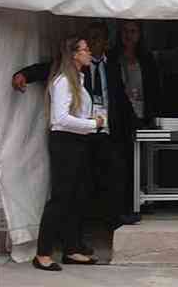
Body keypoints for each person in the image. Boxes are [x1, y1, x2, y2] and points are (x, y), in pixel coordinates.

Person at [12, 21, 140, 230]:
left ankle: (116, 217)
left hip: (107, 127)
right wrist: (25, 74)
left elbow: (120, 97)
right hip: (82, 130)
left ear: (106, 42)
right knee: (82, 181)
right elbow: (48, 68)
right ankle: (79, 228)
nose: (91, 43)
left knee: (116, 171)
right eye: (88, 39)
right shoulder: (70, 71)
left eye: (96, 38)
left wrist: (135, 121)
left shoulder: (113, 64)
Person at [33, 36, 103, 271]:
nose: (89, 52)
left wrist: (90, 123)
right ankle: (42, 253)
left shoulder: (78, 80)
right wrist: (93, 125)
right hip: (65, 143)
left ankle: (72, 248)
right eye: (85, 49)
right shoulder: (63, 81)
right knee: (61, 197)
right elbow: (60, 119)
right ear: (74, 54)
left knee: (77, 196)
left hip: (77, 142)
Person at [110, 20, 161, 129]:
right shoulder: (112, 57)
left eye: (133, 31)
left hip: (144, 115)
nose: (128, 35)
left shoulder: (147, 59)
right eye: (125, 31)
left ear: (139, 34)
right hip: (119, 115)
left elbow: (154, 88)